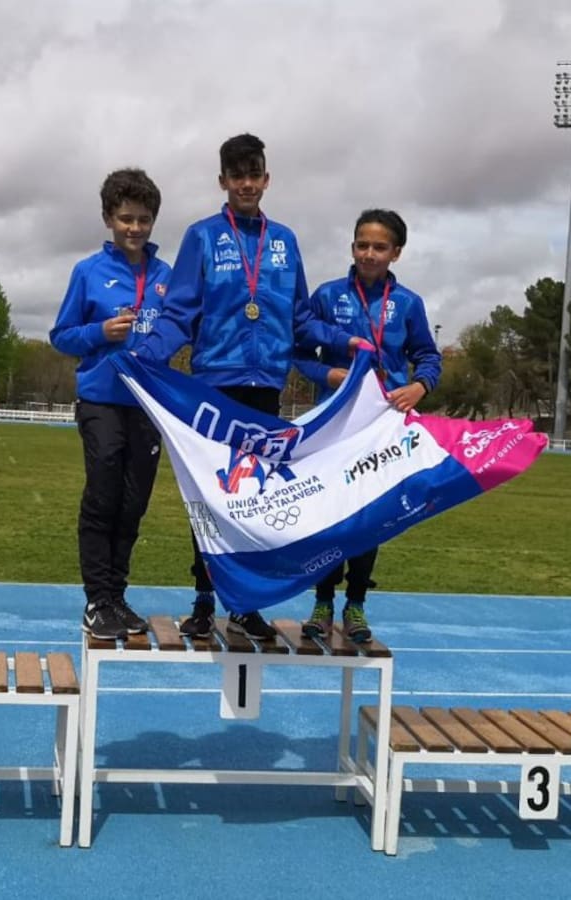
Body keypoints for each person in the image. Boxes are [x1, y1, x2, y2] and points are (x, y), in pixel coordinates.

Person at [135, 133, 367, 641]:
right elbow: (179, 313)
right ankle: (202, 599)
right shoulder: (201, 236)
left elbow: (301, 319)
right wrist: (145, 353)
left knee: (254, 502)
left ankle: (243, 605)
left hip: (265, 389)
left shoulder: (284, 241)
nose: (246, 183)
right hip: (214, 388)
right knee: (210, 501)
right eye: (236, 174)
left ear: (266, 178)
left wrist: (347, 341)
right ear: (222, 181)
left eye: (253, 173)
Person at [294, 208, 441, 643]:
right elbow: (298, 354)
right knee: (330, 515)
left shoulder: (409, 304)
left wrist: (419, 387)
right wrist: (328, 375)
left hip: (383, 426)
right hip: (334, 424)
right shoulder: (325, 296)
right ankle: (322, 602)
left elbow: (429, 357)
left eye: (380, 247)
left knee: (370, 515)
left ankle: (355, 604)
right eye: (362, 244)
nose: (369, 254)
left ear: (396, 252)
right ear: (352, 246)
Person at [50, 168, 172, 640]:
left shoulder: (166, 276)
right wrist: (100, 333)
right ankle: (96, 599)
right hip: (101, 400)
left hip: (147, 405)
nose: (135, 228)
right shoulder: (87, 272)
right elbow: (61, 335)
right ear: (107, 218)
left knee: (133, 504)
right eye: (125, 218)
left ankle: (117, 598)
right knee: (102, 499)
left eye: (143, 219)